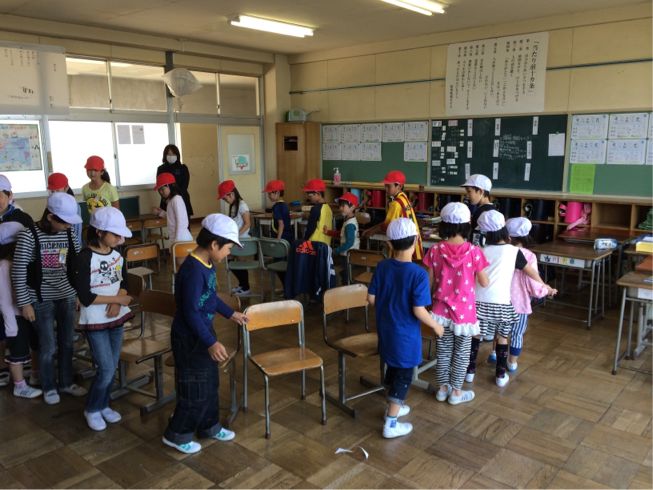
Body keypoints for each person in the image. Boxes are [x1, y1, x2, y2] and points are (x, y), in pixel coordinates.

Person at [162, 213, 247, 454]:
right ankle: (176, 434)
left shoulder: (207, 265)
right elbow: (190, 311)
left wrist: (231, 314)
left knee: (210, 383)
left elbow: (210, 297)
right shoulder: (192, 270)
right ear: (214, 244)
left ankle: (209, 426)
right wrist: (210, 342)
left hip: (202, 332)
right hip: (189, 338)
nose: (228, 253)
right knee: (194, 387)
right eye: (228, 248)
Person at [368, 217, 443, 439]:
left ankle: (394, 407)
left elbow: (371, 299)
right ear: (417, 240)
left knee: (392, 369)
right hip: (406, 337)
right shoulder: (418, 274)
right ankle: (391, 423)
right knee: (403, 377)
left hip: (386, 331)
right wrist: (436, 325)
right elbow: (419, 310)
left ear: (389, 243)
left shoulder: (382, 266)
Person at [11, 193, 86, 405]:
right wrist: (25, 303)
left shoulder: (69, 234)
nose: (69, 226)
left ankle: (66, 382)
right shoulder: (29, 235)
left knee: (67, 342)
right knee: (48, 346)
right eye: (65, 222)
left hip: (67, 295)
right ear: (51, 217)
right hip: (40, 298)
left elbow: (76, 266)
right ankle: (49, 386)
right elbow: (18, 271)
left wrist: (78, 293)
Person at [466, 210, 547, 388]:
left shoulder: (479, 250)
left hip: (477, 302)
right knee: (503, 338)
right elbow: (531, 272)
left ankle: (470, 372)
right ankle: (500, 376)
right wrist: (545, 285)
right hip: (502, 303)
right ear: (504, 229)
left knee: (475, 336)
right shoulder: (513, 251)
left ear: (486, 233)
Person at [73, 207, 134, 431]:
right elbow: (85, 296)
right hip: (95, 320)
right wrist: (116, 299)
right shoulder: (84, 257)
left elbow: (124, 283)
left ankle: (103, 403)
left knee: (112, 365)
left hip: (116, 317)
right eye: (115, 234)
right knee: (106, 368)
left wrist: (118, 302)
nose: (120, 239)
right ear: (99, 232)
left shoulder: (118, 255)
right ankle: (92, 408)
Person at [422, 202, 489, 405]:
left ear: (443, 225)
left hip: (440, 310)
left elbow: (428, 281)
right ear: (467, 225)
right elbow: (484, 282)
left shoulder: (435, 250)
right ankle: (456, 393)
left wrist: (427, 304)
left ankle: (442, 389)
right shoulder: (474, 252)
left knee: (443, 351)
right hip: (464, 313)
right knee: (462, 353)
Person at [505, 217, 557, 372]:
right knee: (517, 334)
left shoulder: (502, 251)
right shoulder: (529, 256)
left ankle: (494, 354)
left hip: (500, 300)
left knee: (500, 332)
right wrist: (547, 290)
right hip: (519, 304)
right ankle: (512, 363)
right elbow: (533, 283)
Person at [0, 222, 42, 399]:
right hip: (14, 317)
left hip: (28, 311)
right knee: (17, 351)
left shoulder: (21, 262)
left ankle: (35, 374)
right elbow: (4, 300)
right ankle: (19, 385)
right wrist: (11, 325)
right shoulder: (4, 266)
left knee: (35, 344)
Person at [0, 174, 34, 386]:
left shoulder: (22, 218)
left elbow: (30, 248)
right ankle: (3, 369)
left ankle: (23, 366)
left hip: (16, 279)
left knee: (18, 321)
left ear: (10, 195)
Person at [364, 170, 423, 260]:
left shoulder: (396, 204)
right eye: (385, 186)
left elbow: (387, 225)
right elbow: (388, 222)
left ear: (399, 186)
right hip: (413, 242)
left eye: (388, 186)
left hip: (405, 245)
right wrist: (371, 229)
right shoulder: (404, 197)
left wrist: (370, 232)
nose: (386, 189)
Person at [218, 180, 252, 295]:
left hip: (242, 240)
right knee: (230, 261)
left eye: (225, 198)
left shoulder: (242, 205)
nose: (225, 201)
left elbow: (247, 223)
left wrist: (236, 236)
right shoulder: (234, 205)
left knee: (241, 264)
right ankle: (242, 284)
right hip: (235, 240)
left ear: (231, 194)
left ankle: (246, 287)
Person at [323, 192, 360, 284]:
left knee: (347, 276)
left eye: (343, 206)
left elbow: (349, 242)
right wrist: (329, 232)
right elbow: (342, 234)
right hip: (347, 254)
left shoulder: (350, 225)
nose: (340, 208)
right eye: (340, 206)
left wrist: (335, 250)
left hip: (349, 254)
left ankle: (347, 288)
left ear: (352, 207)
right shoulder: (348, 220)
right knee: (346, 274)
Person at [153, 173, 193, 245]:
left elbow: (182, 222)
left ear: (170, 186)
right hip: (176, 239)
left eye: (162, 189)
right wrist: (160, 213)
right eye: (159, 190)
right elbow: (171, 217)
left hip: (181, 240)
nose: (161, 192)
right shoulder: (171, 200)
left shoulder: (177, 199)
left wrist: (177, 241)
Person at [157, 144, 193, 219]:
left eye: (173, 154)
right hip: (166, 200)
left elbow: (184, 185)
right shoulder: (161, 169)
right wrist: (167, 198)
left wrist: (176, 198)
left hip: (182, 198)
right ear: (165, 155)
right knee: (170, 222)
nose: (171, 156)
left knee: (184, 221)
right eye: (169, 154)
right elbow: (160, 186)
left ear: (177, 155)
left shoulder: (183, 168)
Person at [48, 172, 82, 248]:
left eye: (57, 190)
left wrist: (77, 248)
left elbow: (76, 232)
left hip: (70, 245)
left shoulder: (73, 205)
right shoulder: (51, 202)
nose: (55, 194)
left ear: (66, 187)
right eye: (52, 191)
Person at [461, 174, 495, 247]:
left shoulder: (484, 213)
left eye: (469, 191)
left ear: (481, 191)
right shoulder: (488, 209)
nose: (467, 195)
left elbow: (477, 242)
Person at [302, 179, 332, 246]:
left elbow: (310, 228)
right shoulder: (328, 208)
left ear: (318, 194)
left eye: (310, 196)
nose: (309, 198)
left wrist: (304, 240)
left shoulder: (315, 209)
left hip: (314, 244)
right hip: (326, 244)